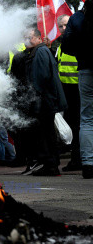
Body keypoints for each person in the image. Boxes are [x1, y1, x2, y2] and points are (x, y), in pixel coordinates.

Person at [10, 28, 67, 176]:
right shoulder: (37, 51)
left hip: (44, 102)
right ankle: (50, 165)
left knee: (46, 135)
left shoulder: (40, 52)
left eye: (30, 38)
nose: (26, 41)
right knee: (46, 134)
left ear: (38, 38)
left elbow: (40, 79)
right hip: (44, 101)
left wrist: (34, 100)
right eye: (25, 38)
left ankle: (50, 165)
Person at [62, 0, 93, 179]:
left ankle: (88, 164)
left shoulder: (77, 18)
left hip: (86, 69)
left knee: (87, 118)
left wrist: (82, 54)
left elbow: (66, 46)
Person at [54, 14, 82, 171]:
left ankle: (78, 160)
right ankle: (76, 159)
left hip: (78, 90)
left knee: (78, 126)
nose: (63, 28)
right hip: (66, 92)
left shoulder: (76, 42)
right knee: (73, 126)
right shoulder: (60, 47)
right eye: (61, 26)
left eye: (65, 25)